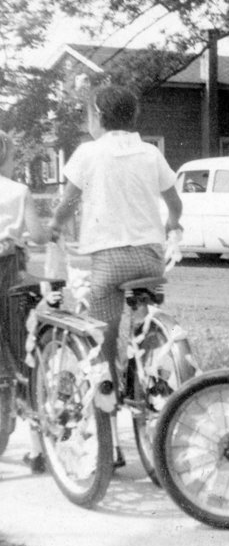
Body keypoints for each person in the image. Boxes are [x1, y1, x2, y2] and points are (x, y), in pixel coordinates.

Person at [48, 86, 182, 464]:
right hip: (150, 258)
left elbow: (69, 200)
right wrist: (174, 223)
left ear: (96, 115)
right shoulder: (150, 152)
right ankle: (147, 370)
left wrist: (56, 226)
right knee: (142, 321)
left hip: (109, 260)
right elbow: (173, 201)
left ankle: (109, 419)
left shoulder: (88, 153)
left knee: (100, 338)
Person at [0, 131, 51, 472]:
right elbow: (37, 234)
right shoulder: (18, 191)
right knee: (23, 358)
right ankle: (36, 449)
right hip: (9, 275)